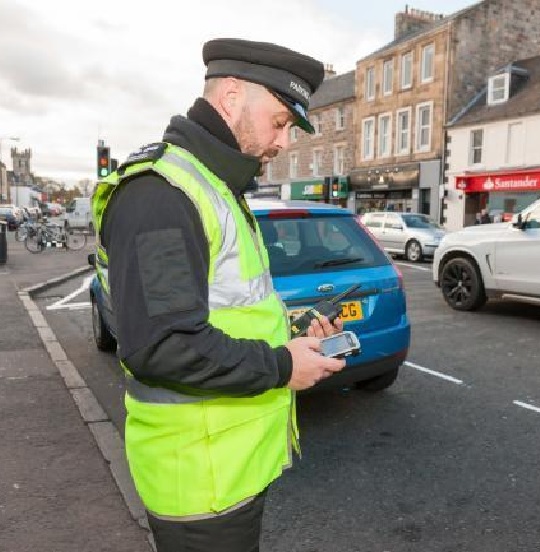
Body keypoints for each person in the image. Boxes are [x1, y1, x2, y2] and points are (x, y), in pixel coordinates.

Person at [92, 38, 346, 552]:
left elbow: (225, 309)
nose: (283, 143)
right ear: (231, 96)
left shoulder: (213, 185)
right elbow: (162, 345)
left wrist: (294, 340)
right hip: (199, 484)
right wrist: (281, 366)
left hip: (228, 467)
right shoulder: (160, 195)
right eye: (279, 122)